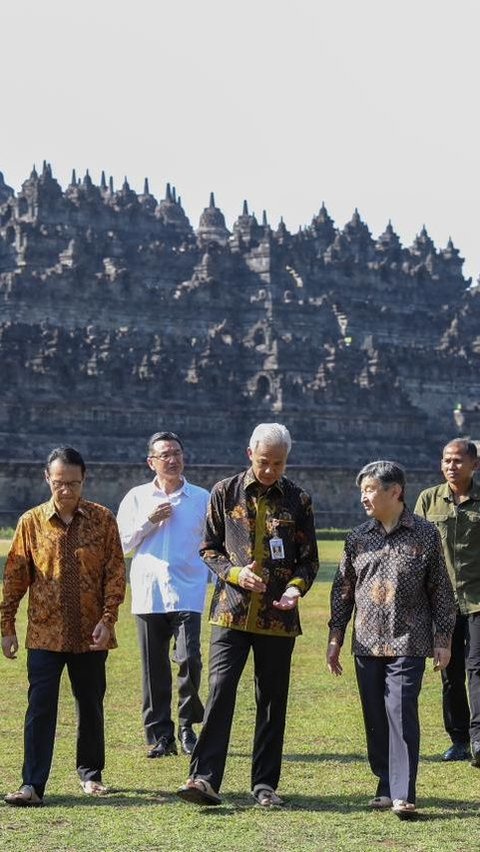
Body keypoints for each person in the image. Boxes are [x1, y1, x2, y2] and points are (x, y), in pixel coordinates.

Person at [177, 422, 318, 807]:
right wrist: (236, 573)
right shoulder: (225, 493)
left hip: (279, 617)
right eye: (263, 461)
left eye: (278, 463)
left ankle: (265, 785)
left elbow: (309, 561)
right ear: (249, 454)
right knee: (220, 693)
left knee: (271, 700)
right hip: (231, 613)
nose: (270, 470)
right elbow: (208, 548)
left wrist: (294, 588)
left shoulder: (298, 500)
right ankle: (203, 780)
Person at [327, 460, 455, 818]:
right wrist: (335, 636)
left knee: (400, 712)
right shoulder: (357, 538)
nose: (364, 497)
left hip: (409, 641)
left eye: (370, 489)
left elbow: (441, 591)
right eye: (362, 491)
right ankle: (384, 784)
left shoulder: (425, 534)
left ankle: (403, 793)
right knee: (374, 716)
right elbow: (343, 592)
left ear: (394, 491)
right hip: (366, 643)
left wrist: (442, 638)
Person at [1, 446, 126, 807]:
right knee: (39, 707)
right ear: (47, 479)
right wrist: (6, 625)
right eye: (59, 483)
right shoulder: (31, 523)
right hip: (44, 633)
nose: (66, 490)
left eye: (73, 483)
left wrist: (108, 620)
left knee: (90, 703)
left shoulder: (103, 520)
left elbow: (115, 574)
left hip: (91, 634)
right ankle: (32, 784)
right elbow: (14, 579)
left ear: (84, 479)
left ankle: (91, 773)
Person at [117, 431, 210, 757]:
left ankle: (187, 726)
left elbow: (213, 545)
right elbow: (121, 544)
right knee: (152, 668)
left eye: (176, 453)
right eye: (165, 455)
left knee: (190, 660)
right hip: (149, 593)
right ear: (151, 462)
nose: (172, 460)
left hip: (188, 591)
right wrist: (148, 520)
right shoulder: (137, 498)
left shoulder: (202, 498)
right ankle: (160, 736)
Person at [414, 438, 480, 764]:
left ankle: (479, 739)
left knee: (477, 669)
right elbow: (415, 549)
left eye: (457, 461)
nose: (451, 466)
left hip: (478, 600)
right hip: (441, 603)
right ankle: (459, 740)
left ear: (474, 465)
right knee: (449, 671)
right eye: (446, 460)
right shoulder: (428, 500)